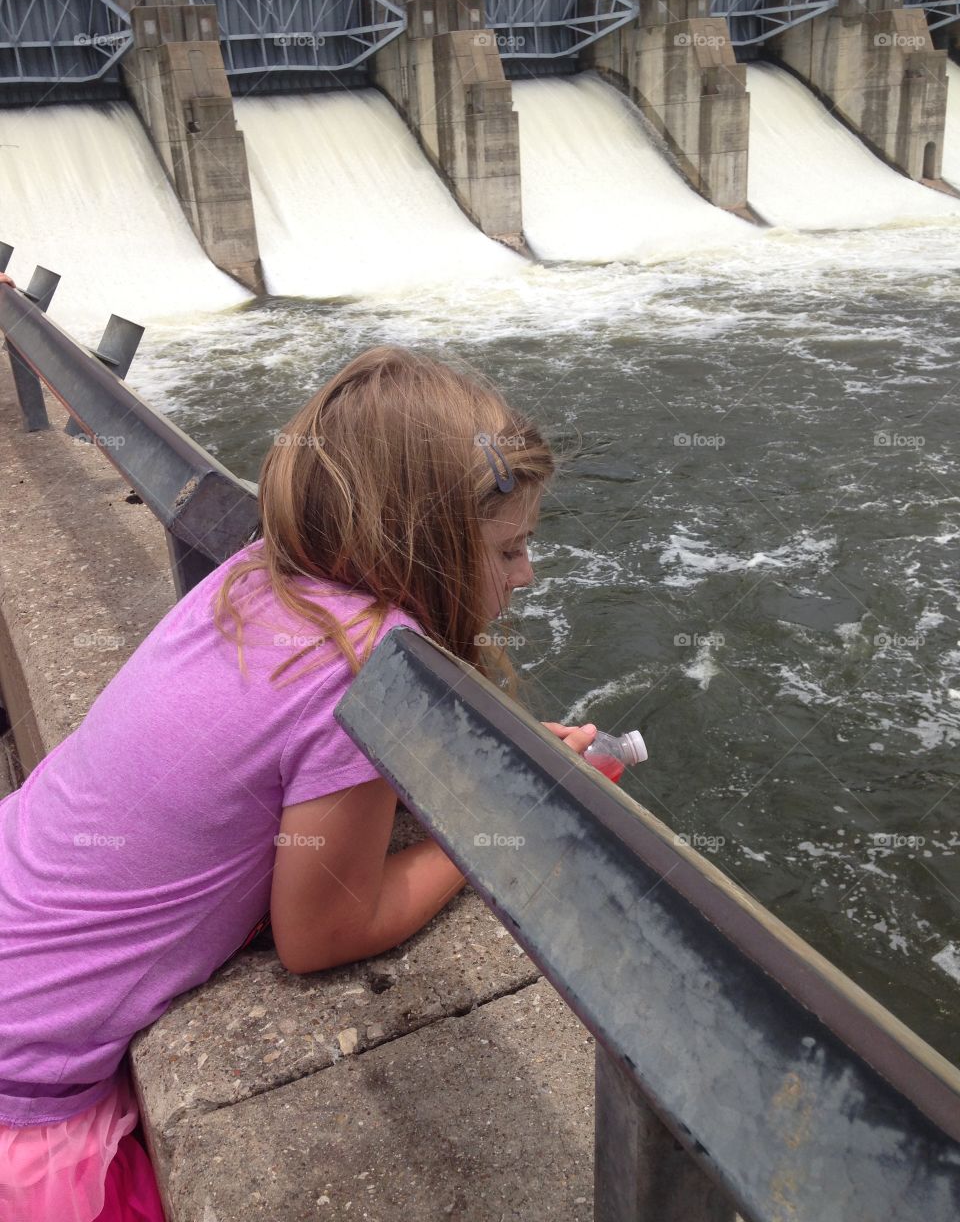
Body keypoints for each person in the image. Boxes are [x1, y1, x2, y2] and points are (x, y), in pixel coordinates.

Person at [0, 346, 597, 1221]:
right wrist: (500, 813)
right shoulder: (365, 667)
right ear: (423, 549)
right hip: (24, 1078)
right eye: (509, 549)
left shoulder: (257, 574)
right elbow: (324, 933)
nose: (527, 575)